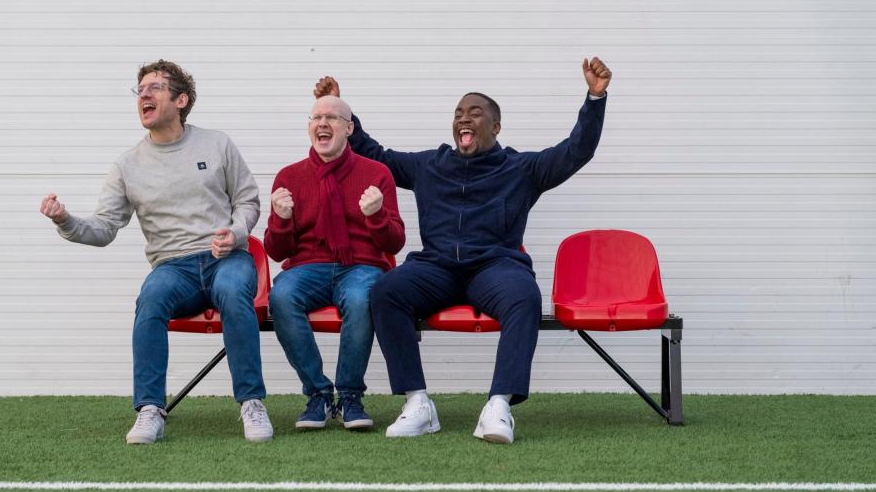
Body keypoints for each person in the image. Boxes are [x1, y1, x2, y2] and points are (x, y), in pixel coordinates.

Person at [313, 57, 612, 443]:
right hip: (436, 268)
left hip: (494, 266)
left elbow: (576, 151)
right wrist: (343, 110)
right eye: (458, 113)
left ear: (496, 126)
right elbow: (377, 155)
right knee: (387, 291)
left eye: (474, 113)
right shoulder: (430, 165)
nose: (463, 119)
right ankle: (418, 403)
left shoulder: (521, 168)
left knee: (524, 297)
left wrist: (595, 98)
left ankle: (498, 406)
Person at [38, 60, 272, 444]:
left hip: (225, 258)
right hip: (173, 268)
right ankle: (149, 409)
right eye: (140, 89)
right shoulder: (127, 164)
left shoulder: (217, 143)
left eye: (155, 88)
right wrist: (65, 220)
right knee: (150, 298)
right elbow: (103, 229)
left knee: (233, 292)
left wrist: (237, 230)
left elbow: (247, 200)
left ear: (181, 100)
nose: (144, 95)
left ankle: (251, 403)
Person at [265, 95, 405, 430]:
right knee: (282, 295)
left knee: (361, 298)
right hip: (307, 267)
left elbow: (395, 241)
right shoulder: (289, 176)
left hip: (361, 265)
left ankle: (350, 396)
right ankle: (318, 394)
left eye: (332, 117)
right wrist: (282, 220)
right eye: (316, 117)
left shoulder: (377, 173)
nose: (322, 123)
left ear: (349, 128)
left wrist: (375, 217)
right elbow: (275, 250)